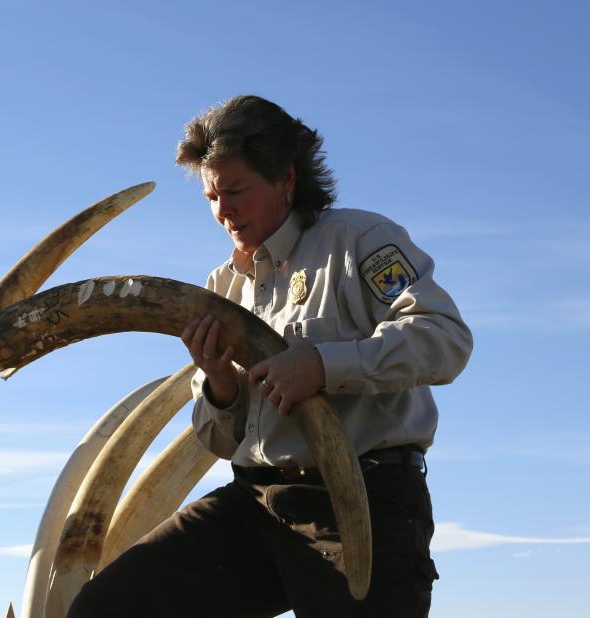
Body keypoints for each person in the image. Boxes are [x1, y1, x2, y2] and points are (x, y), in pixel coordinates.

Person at [67, 95, 473, 617]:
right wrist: (220, 385)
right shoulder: (221, 286)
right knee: (110, 607)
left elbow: (444, 338)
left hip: (363, 501)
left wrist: (324, 366)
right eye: (211, 196)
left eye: (235, 190)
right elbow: (219, 438)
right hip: (253, 504)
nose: (223, 211)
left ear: (285, 179)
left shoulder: (360, 241)